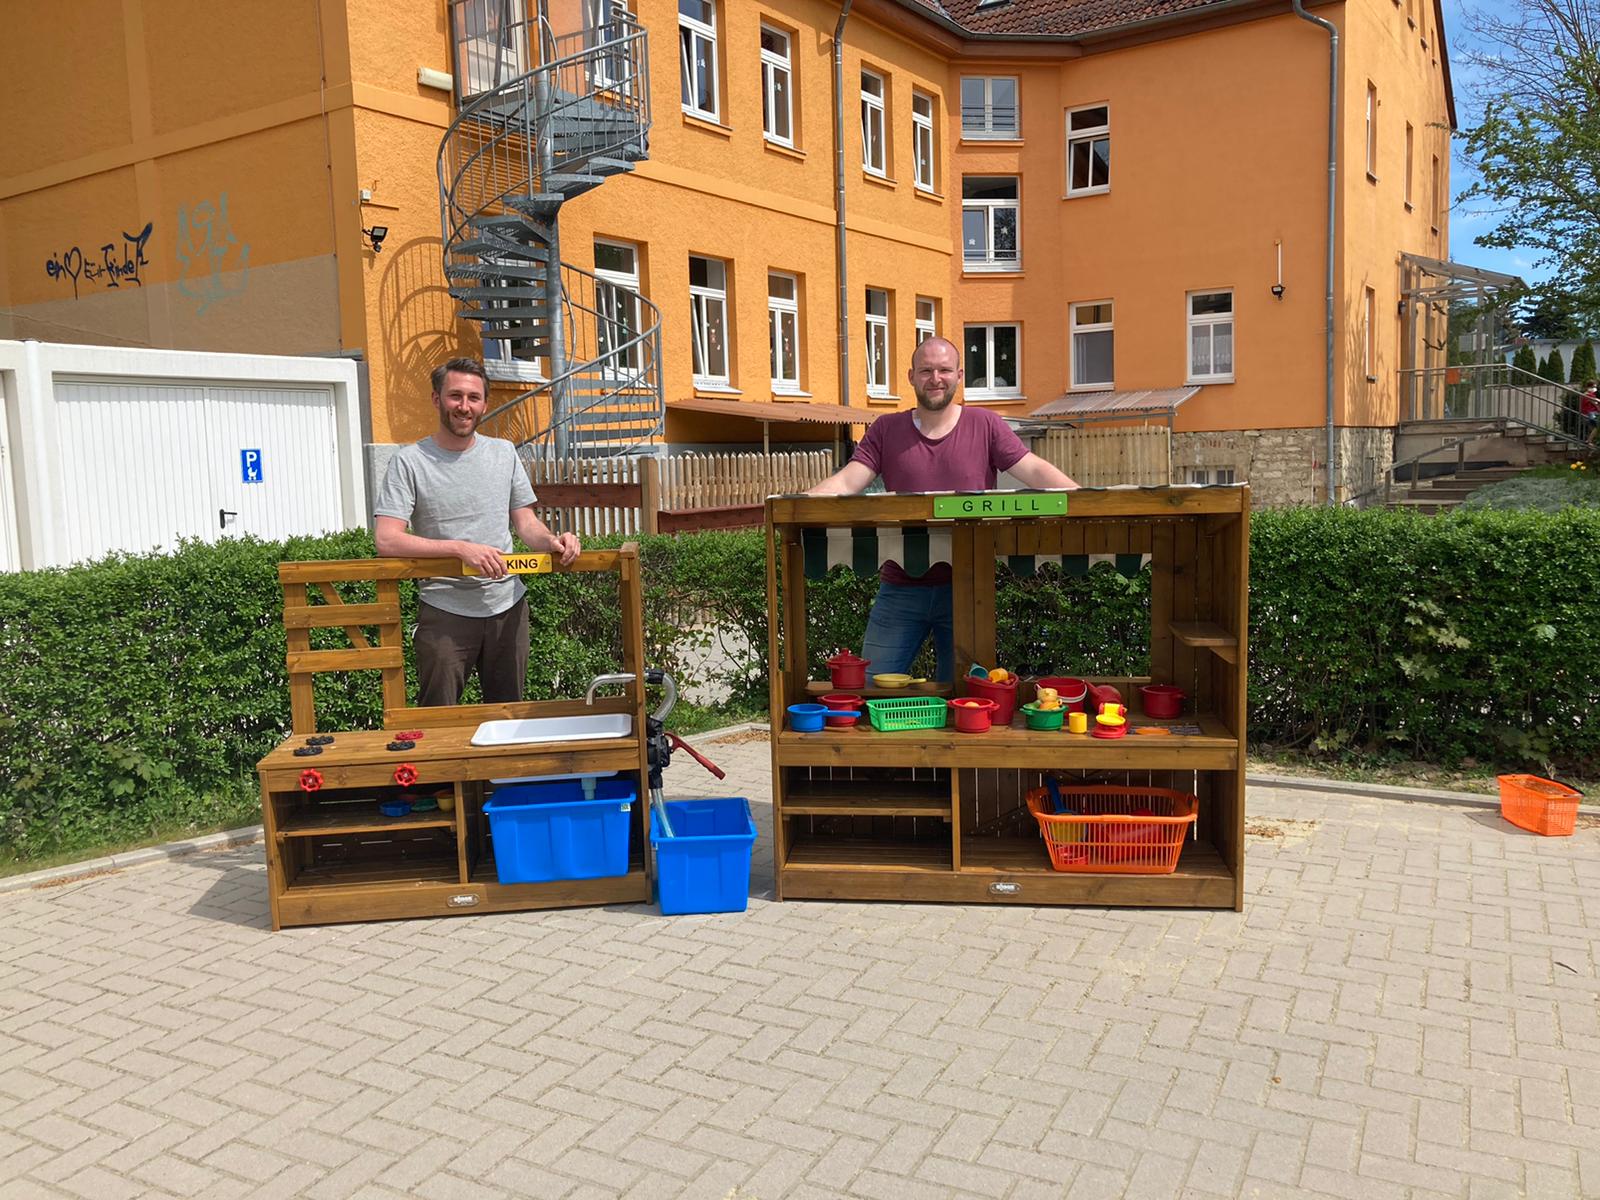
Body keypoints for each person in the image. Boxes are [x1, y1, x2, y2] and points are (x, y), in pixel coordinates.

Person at [808, 336, 1078, 680]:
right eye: (926, 370)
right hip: (900, 586)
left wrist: (1082, 498)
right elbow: (847, 483)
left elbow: (1033, 469)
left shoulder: (986, 425)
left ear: (959, 375)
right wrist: (794, 505)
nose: (935, 378)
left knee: (969, 699)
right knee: (871, 687)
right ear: (910, 376)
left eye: (944, 370)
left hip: (969, 588)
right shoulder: (886, 429)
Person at [374, 356, 581, 706]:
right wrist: (460, 549)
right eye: (455, 396)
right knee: (438, 721)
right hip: (444, 609)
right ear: (436, 399)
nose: (464, 406)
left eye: (473, 397)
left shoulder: (503, 454)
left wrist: (551, 541)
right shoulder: (409, 461)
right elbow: (387, 539)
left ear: (484, 403)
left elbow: (526, 523)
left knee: (507, 718)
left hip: (508, 605)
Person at [1581, 379, 1598, 444]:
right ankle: (1589, 440)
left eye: (1595, 387)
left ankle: (1590, 443)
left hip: (1586, 414)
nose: (1595, 389)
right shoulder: (1589, 395)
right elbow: (1595, 403)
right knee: (1597, 427)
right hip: (1590, 413)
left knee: (1593, 429)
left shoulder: (1586, 394)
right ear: (1589, 387)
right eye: (1594, 387)